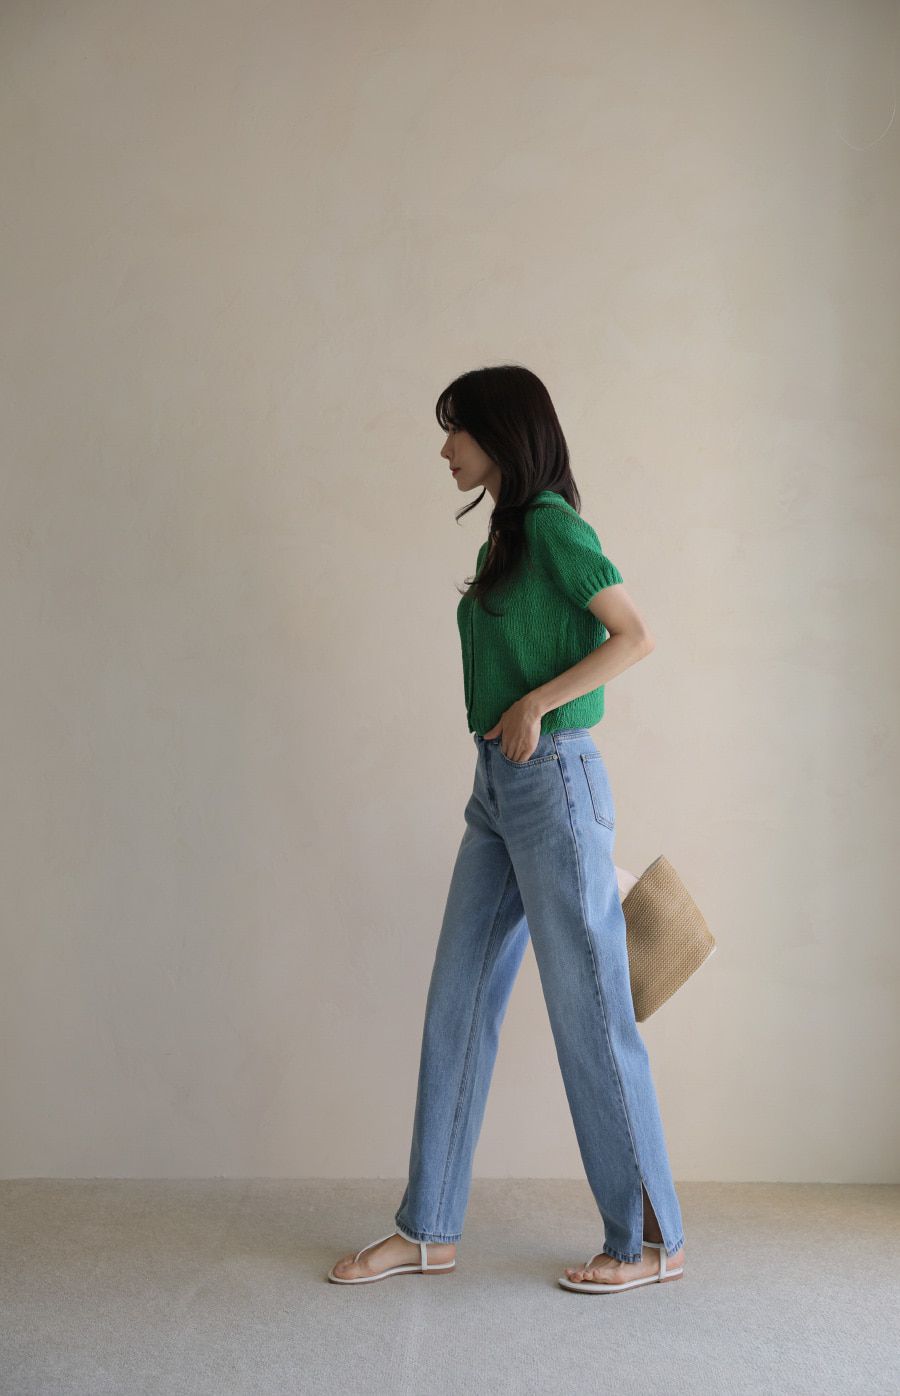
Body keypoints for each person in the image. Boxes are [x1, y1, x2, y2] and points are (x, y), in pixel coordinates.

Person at [329, 365, 686, 1293]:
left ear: (503, 434)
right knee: (458, 1001)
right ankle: (428, 1229)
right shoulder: (508, 534)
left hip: (553, 778)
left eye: (458, 429)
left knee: (590, 1012)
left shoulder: (554, 525)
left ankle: (649, 1240)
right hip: (497, 790)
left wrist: (535, 703)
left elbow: (635, 634)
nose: (445, 448)